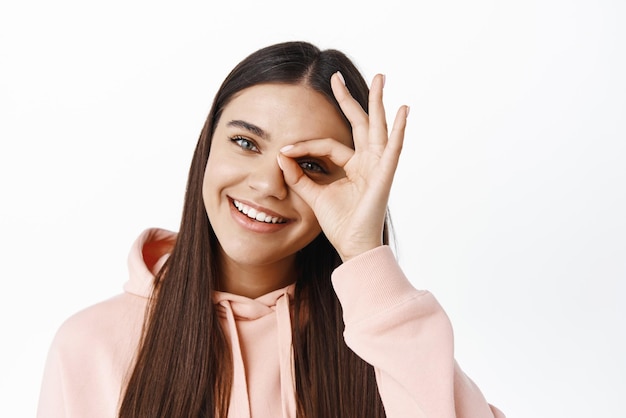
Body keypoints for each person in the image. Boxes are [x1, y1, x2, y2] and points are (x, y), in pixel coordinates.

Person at [36, 41, 505, 418]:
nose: (267, 184)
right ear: (207, 147)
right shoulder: (90, 346)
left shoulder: (382, 340)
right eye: (245, 142)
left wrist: (365, 253)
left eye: (310, 165)